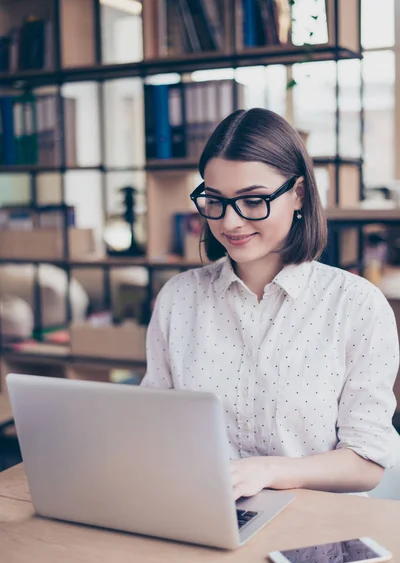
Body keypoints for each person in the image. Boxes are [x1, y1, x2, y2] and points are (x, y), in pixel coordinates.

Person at [141, 108, 399, 499]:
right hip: (204, 512)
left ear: (298, 194)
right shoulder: (178, 299)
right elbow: (151, 428)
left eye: (253, 200)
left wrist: (267, 471)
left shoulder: (357, 305)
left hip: (318, 526)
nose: (230, 223)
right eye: (215, 200)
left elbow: (367, 462)